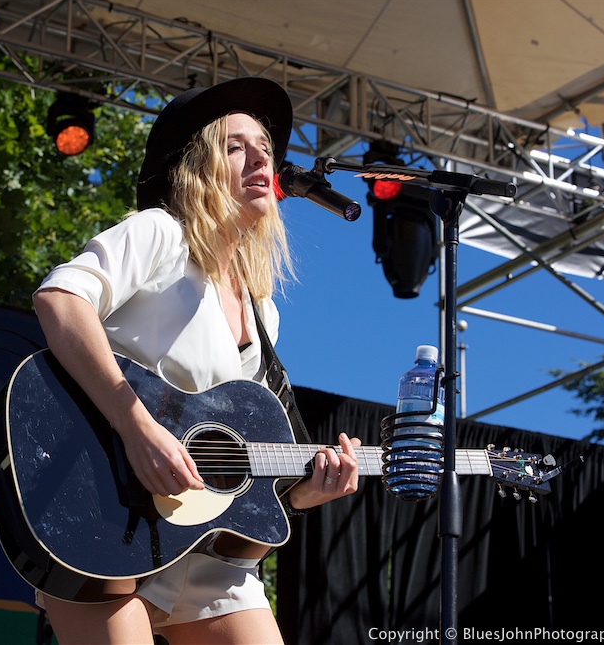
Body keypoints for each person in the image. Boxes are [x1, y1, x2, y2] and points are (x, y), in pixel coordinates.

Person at [32, 77, 361, 644]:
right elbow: (60, 300)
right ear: (197, 168)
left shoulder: (262, 311)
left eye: (265, 147)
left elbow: (237, 451)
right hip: (108, 513)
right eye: (235, 146)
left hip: (205, 544)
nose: (260, 157)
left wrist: (304, 493)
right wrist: (137, 428)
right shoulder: (160, 233)